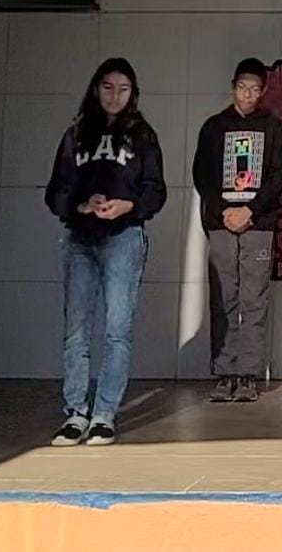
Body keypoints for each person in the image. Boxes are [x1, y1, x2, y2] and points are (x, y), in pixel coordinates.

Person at [45, 58, 167, 446]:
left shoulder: (142, 136)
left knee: (118, 331)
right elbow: (55, 191)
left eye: (123, 89)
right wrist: (81, 205)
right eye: (108, 87)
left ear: (133, 94)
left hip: (124, 237)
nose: (115, 96)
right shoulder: (76, 135)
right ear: (96, 89)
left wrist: (128, 205)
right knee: (76, 331)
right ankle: (75, 413)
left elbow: (156, 190)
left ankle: (103, 414)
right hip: (80, 238)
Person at [192, 58, 282, 403]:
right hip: (220, 224)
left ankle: (248, 374)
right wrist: (225, 211)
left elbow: (279, 176)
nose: (247, 95)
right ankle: (224, 373)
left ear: (263, 91)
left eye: (254, 89)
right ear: (233, 86)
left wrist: (250, 210)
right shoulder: (214, 127)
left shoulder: (274, 128)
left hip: (258, 224)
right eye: (242, 87)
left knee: (254, 299)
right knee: (223, 298)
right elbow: (202, 175)